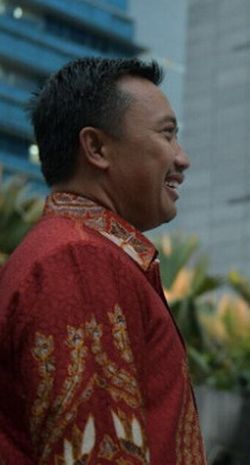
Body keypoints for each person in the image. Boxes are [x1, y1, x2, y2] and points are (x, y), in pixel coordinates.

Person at [0, 58, 206, 464]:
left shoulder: (78, 254)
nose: (182, 160)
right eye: (167, 135)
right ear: (96, 148)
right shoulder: (76, 261)